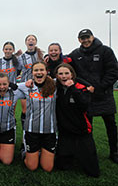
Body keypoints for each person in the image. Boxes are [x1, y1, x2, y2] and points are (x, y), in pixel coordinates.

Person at [69, 29, 118, 163]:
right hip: (86, 97)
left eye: (87, 37)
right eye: (82, 38)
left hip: (104, 96)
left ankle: (114, 151)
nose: (85, 40)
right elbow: (66, 65)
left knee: (111, 125)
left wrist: (99, 88)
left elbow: (113, 72)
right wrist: (51, 59)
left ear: (93, 37)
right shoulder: (76, 54)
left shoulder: (105, 51)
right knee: (86, 126)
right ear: (79, 40)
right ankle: (87, 152)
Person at [55, 63, 100, 177]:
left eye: (66, 73)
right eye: (60, 74)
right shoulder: (56, 87)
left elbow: (84, 105)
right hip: (65, 130)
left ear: (72, 75)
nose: (64, 76)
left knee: (93, 171)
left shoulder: (81, 87)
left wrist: (72, 88)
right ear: (57, 75)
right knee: (62, 165)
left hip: (81, 129)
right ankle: (69, 156)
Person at [18, 62, 57, 172]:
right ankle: (24, 151)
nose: (39, 72)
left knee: (47, 168)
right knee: (32, 167)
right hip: (32, 130)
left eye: (41, 70)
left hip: (50, 130)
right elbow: (9, 85)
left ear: (46, 72)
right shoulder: (26, 86)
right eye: (36, 70)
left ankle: (43, 150)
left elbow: (72, 77)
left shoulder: (55, 85)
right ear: (32, 73)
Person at [18, 35, 44, 130]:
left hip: (38, 85)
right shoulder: (21, 57)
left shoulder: (41, 55)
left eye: (33, 39)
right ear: (26, 43)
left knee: (38, 109)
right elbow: (16, 70)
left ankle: (37, 130)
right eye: (29, 39)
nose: (31, 41)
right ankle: (25, 136)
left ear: (36, 42)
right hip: (25, 85)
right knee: (25, 110)